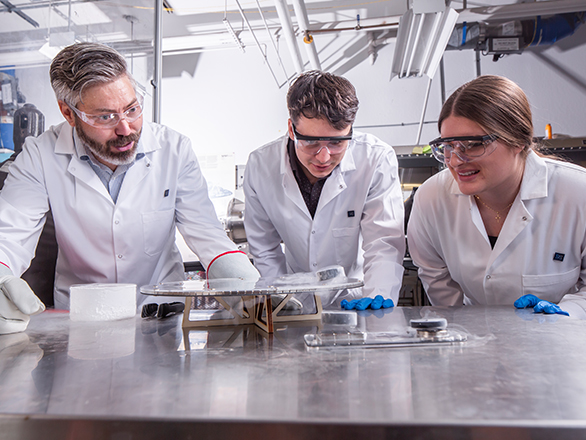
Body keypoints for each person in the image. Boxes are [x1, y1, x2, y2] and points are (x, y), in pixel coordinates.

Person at [0, 42, 258, 334]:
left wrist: (242, 279)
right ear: (69, 114)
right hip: (78, 322)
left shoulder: (173, 149)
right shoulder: (41, 155)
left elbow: (206, 233)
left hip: (158, 317)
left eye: (132, 109)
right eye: (105, 117)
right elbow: (9, 233)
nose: (126, 128)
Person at [407, 75, 586, 319]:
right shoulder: (432, 198)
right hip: (474, 343)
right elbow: (440, 286)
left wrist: (565, 314)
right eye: (448, 146)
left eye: (473, 144)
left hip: (563, 344)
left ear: (518, 142)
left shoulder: (578, 192)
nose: (456, 161)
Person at [243, 70, 405, 306]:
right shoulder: (260, 166)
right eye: (311, 142)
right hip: (294, 299)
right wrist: (280, 301)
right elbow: (265, 248)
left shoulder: (375, 159)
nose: (324, 156)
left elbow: (383, 242)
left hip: (356, 300)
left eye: (337, 142)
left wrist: (378, 293)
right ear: (291, 129)